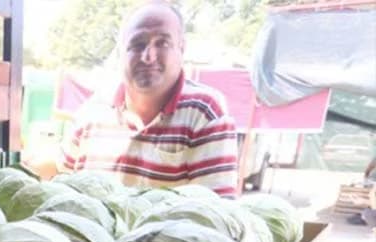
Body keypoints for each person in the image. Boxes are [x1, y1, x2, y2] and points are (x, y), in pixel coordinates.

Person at [26, 1, 240, 197]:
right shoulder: (93, 112)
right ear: (121, 52)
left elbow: (216, 213)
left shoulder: (206, 113)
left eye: (162, 43)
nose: (149, 56)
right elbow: (62, 175)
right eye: (137, 45)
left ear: (181, 49)